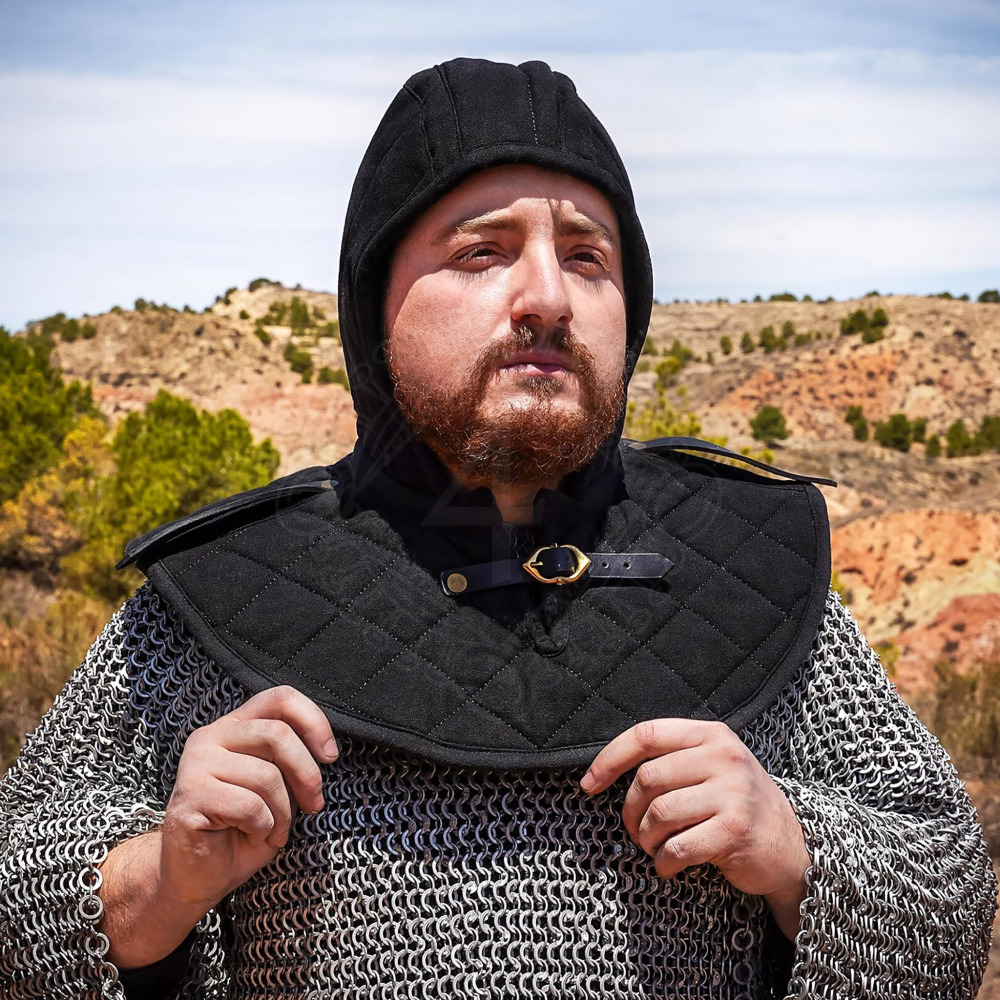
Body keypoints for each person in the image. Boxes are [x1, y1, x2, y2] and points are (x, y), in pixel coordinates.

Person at [0, 57, 996, 999]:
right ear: (376, 300)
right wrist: (159, 881)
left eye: (587, 256)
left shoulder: (747, 565)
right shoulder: (225, 590)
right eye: (482, 251)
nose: (548, 298)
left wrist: (795, 849)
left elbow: (948, 898)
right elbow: (19, 907)